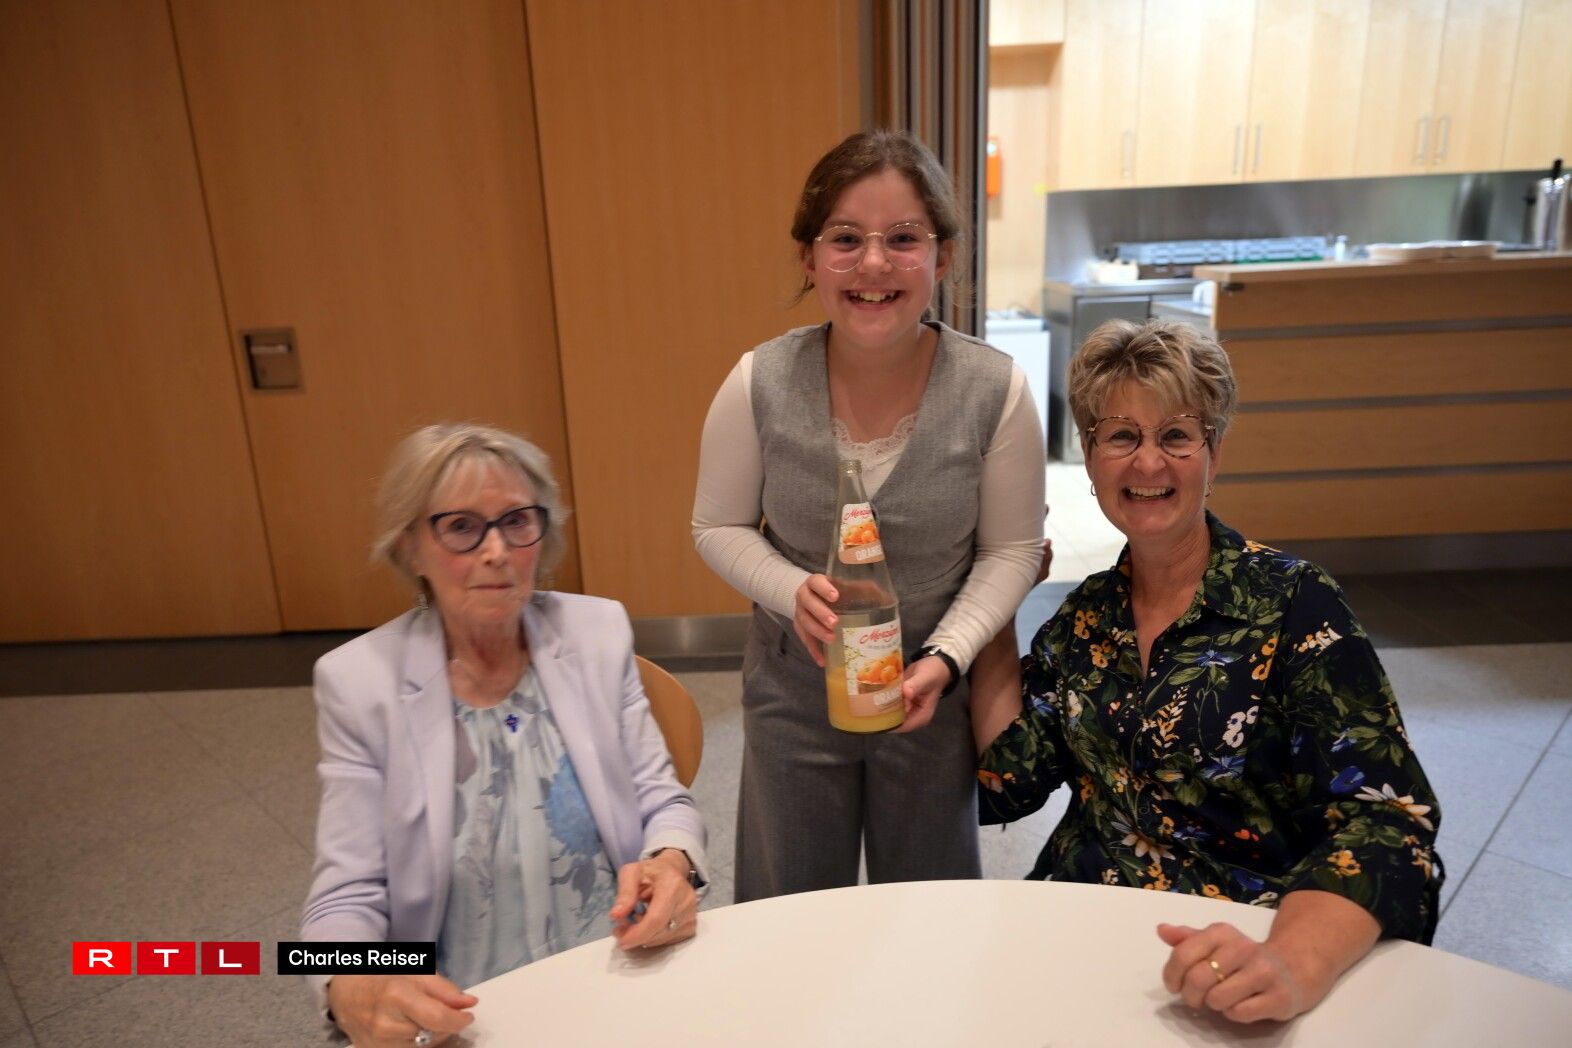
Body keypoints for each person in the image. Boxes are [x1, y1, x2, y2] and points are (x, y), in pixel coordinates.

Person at [973, 318, 1443, 1024]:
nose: (1148, 464)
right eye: (1121, 436)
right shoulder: (1085, 618)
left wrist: (1294, 960)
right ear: (1091, 458)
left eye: (1176, 436)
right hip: (1078, 927)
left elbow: (1388, 822)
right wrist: (996, 596)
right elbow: (1008, 782)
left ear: (1214, 454)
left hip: (1235, 951)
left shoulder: (1292, 604)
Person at [692, 130, 1046, 901]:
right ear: (809, 257)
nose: (875, 264)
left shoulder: (997, 391)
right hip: (793, 696)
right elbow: (716, 526)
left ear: (942, 258)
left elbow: (1013, 550)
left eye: (904, 238)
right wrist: (790, 591)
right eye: (846, 239)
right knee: (788, 905)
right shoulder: (758, 382)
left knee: (928, 911)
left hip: (930, 696)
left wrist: (946, 658)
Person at [302, 423, 707, 1047]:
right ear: (411, 547)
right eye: (461, 527)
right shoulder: (359, 682)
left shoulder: (596, 633)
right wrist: (350, 985)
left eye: (517, 521)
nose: (496, 551)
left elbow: (664, 800)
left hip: (617, 974)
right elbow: (343, 897)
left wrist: (671, 861)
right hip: (462, 1013)